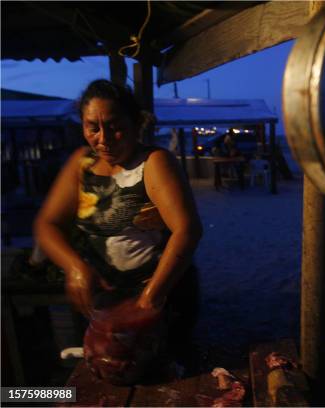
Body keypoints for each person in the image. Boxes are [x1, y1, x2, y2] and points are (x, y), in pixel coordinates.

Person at [34, 79, 203, 370]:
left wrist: (150, 299)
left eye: (114, 126)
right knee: (104, 376)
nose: (104, 138)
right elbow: (48, 224)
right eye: (93, 127)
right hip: (102, 303)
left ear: (137, 122)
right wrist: (75, 267)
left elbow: (187, 230)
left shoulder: (154, 162)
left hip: (161, 297)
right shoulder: (81, 163)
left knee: (163, 379)